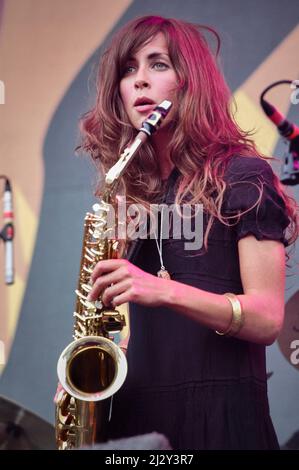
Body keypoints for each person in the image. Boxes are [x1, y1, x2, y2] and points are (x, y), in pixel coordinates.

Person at [78, 15, 298, 450]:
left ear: (189, 80)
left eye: (158, 64)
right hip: (136, 421)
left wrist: (165, 291)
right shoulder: (129, 196)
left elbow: (268, 318)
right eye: (129, 68)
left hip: (220, 417)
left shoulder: (243, 175)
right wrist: (93, 381)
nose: (140, 81)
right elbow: (137, 333)